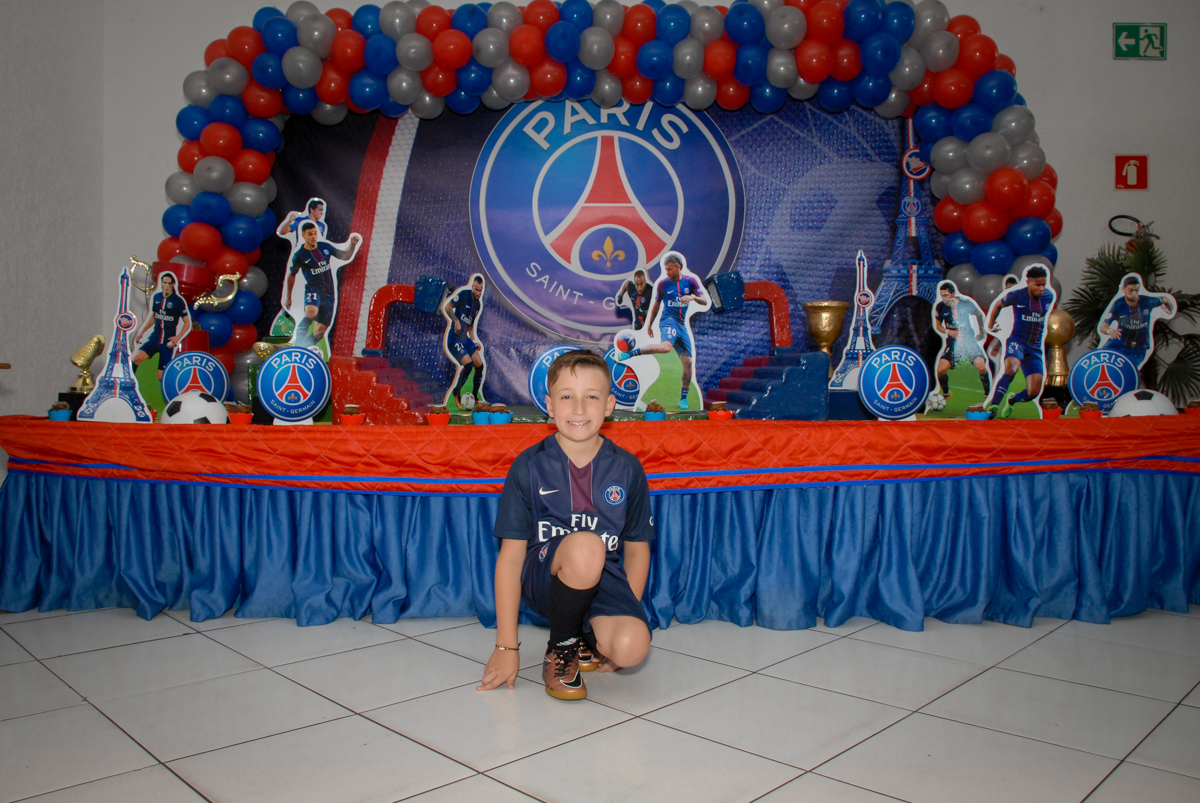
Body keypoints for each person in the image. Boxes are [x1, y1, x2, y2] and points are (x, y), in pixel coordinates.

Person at [479, 350, 653, 700]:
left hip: (601, 581)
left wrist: (623, 609)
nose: (578, 408)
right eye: (566, 397)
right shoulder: (529, 466)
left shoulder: (628, 469)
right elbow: (511, 559)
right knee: (587, 545)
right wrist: (505, 648)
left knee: (632, 647)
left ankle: (586, 636)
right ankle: (561, 650)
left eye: (591, 397)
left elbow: (636, 550)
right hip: (544, 580)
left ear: (609, 405)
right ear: (549, 405)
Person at [614, 253, 708, 410]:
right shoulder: (663, 284)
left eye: (670, 269)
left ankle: (683, 399)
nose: (667, 272)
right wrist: (650, 324)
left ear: (678, 267)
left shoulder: (690, 281)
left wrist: (692, 298)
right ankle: (628, 354)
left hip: (681, 325)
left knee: (689, 363)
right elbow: (656, 304)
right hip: (668, 321)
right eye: (666, 269)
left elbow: (705, 300)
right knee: (665, 347)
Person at [986, 265, 1055, 419]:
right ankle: (994, 405)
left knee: (1033, 392)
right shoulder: (1017, 295)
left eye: (1044, 284)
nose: (1042, 288)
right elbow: (998, 305)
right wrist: (990, 324)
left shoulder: (1048, 297)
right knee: (1011, 368)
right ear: (1028, 282)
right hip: (1017, 340)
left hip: (1035, 348)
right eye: (1038, 284)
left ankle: (1012, 400)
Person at [283, 222, 361, 349]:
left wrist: (352, 244)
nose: (313, 237)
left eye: (315, 234)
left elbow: (345, 256)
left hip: (329, 293)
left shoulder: (325, 247)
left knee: (319, 333)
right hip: (314, 289)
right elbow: (292, 275)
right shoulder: (300, 255)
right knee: (311, 313)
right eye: (310, 234)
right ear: (303, 235)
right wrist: (288, 297)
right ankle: (296, 347)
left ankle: (302, 349)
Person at [1099, 275, 1174, 368]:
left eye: (1136, 290)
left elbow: (1164, 299)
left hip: (1137, 349)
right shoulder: (1118, 304)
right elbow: (1103, 326)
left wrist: (1166, 306)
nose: (1134, 293)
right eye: (1131, 290)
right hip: (1117, 344)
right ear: (1124, 289)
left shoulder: (1147, 301)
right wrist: (1110, 331)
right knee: (1099, 362)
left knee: (1126, 372)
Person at [933, 282, 991, 399]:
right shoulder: (940, 307)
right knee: (940, 370)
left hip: (969, 341)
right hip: (953, 343)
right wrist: (949, 332)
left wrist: (980, 332)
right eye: (942, 295)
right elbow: (938, 326)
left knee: (981, 366)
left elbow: (978, 314)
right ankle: (946, 393)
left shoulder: (965, 303)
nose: (944, 298)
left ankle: (988, 394)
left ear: (953, 293)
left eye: (946, 295)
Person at [132, 272, 190, 380]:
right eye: (165, 283)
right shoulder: (157, 297)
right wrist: (142, 332)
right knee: (137, 358)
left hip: (167, 342)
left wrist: (177, 337)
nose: (167, 285)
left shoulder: (178, 301)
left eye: (169, 283)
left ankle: (170, 393)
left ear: (173, 284)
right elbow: (154, 317)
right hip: (155, 338)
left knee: (160, 376)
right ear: (161, 284)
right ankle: (129, 384)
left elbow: (187, 322)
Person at [443, 275, 486, 409]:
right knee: (468, 365)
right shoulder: (464, 295)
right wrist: (456, 321)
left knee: (479, 365)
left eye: (480, 290)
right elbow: (447, 307)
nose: (478, 293)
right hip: (454, 339)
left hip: (465, 339)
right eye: (476, 289)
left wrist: (474, 341)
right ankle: (457, 392)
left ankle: (474, 396)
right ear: (473, 287)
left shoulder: (477, 305)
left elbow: (471, 325)